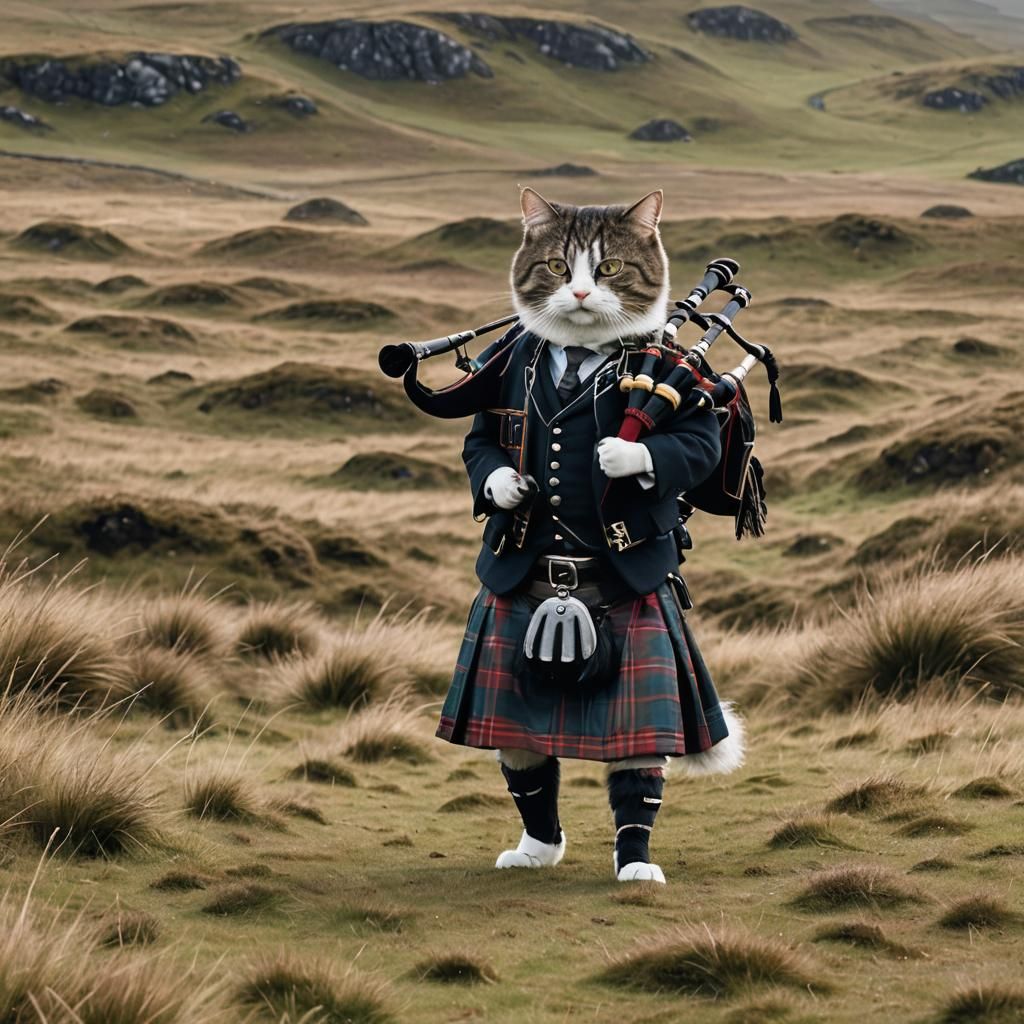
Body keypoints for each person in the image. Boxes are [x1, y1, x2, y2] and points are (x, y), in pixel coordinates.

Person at [436, 187, 744, 884]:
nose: (578, 292)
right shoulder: (515, 357)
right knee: (515, 727)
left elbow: (701, 444)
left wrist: (647, 459)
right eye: (558, 272)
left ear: (646, 264)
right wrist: (490, 481)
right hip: (523, 566)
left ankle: (633, 854)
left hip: (624, 574)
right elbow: (481, 438)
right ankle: (541, 839)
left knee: (634, 737)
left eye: (605, 274)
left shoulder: (665, 363)